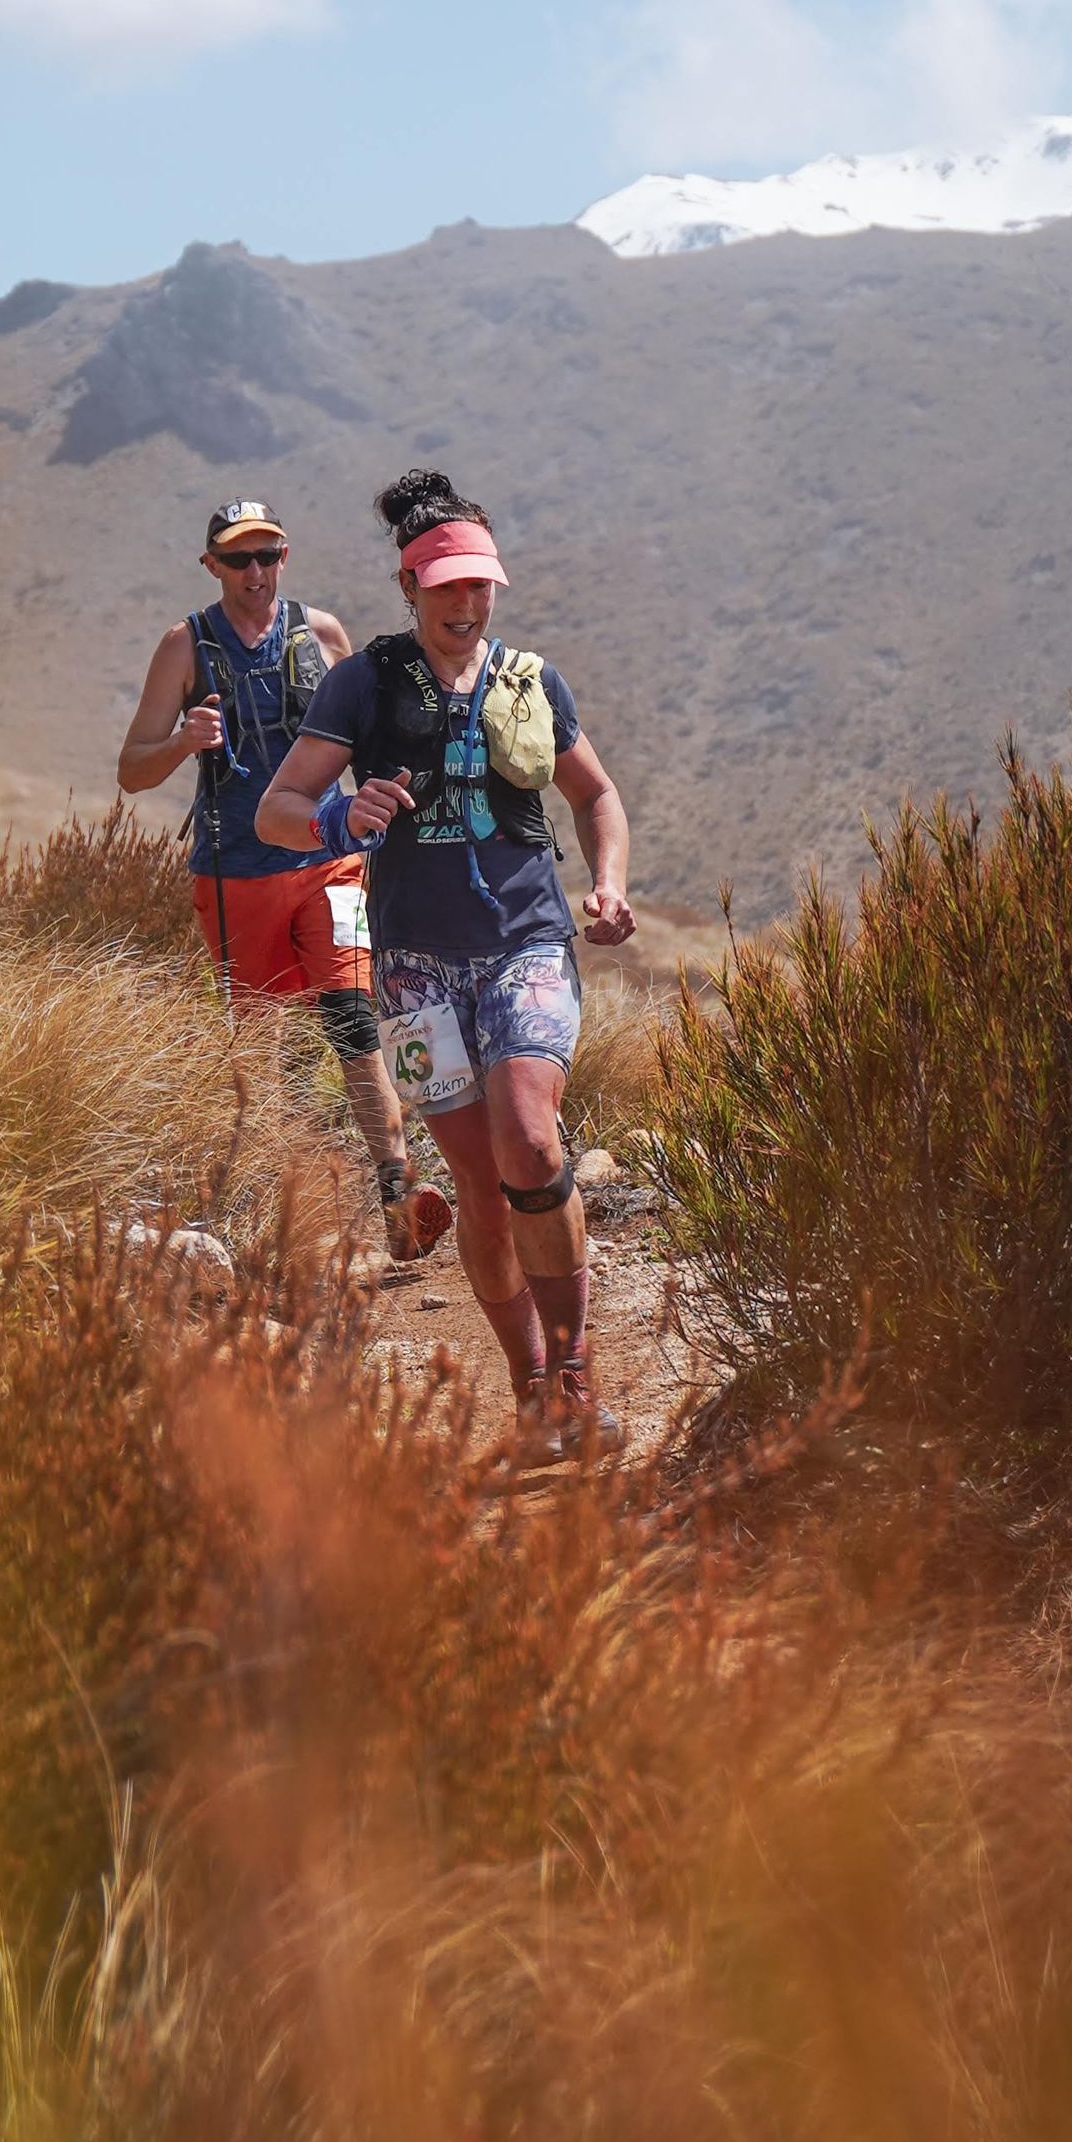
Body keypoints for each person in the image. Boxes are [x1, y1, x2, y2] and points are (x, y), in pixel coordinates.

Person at [256, 468, 636, 1462]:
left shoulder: (530, 682)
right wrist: (342, 816)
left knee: (530, 1144)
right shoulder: (366, 683)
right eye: (450, 587)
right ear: (412, 588)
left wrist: (607, 882)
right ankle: (531, 1395)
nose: (469, 605)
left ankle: (576, 1368)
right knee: (476, 1185)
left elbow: (597, 797)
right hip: (416, 970)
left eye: (483, 586)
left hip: (525, 945)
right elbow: (276, 810)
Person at [117, 497, 433, 1237]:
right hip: (236, 878)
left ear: (284, 558)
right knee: (262, 1043)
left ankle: (399, 1193)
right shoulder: (185, 647)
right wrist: (181, 742)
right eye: (238, 559)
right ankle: (279, 1205)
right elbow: (132, 770)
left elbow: (368, 749)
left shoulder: (321, 634)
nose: (255, 572)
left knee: (353, 1015)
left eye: (269, 555)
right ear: (211, 566)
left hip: (332, 865)